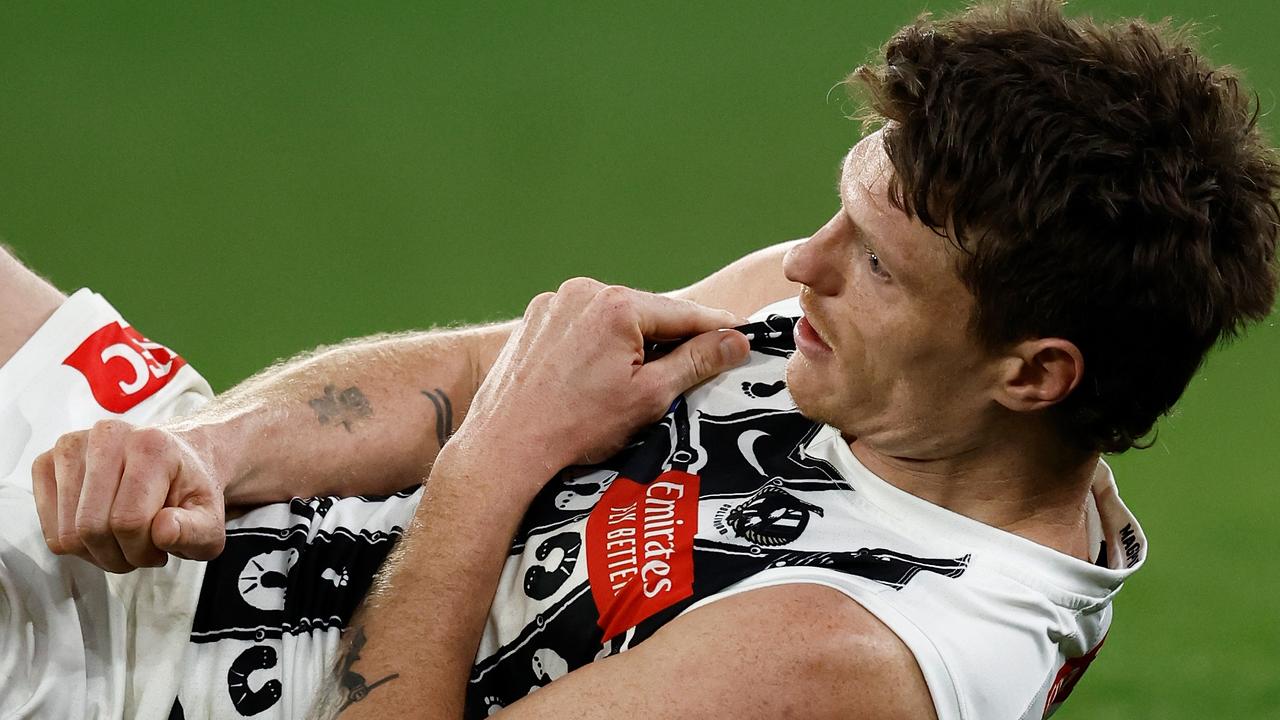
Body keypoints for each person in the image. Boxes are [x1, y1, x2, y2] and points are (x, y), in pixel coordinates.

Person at [5, 1, 1278, 718]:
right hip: (187, 539)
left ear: (1034, 374)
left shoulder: (849, 654)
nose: (806, 266)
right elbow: (469, 375)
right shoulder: (874, 350)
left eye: (877, 264)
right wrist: (200, 448)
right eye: (840, 212)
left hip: (124, 691)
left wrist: (498, 459)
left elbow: (493, 425)